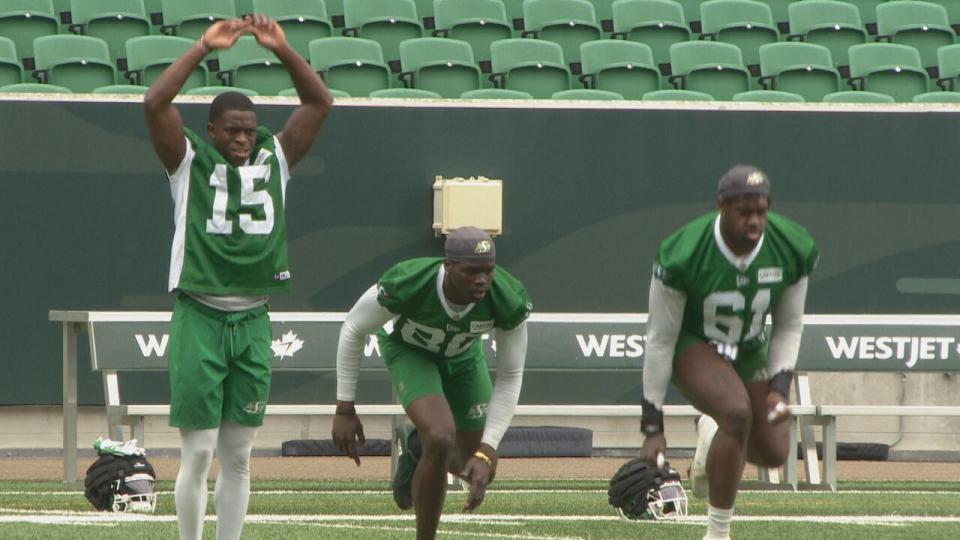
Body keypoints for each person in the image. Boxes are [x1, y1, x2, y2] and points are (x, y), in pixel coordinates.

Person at [143, 15, 332, 540]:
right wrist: (202, 47)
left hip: (253, 317)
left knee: (240, 453)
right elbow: (155, 104)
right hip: (200, 314)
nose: (244, 139)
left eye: (250, 129)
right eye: (233, 130)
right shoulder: (188, 160)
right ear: (211, 131)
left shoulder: (277, 155)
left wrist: (284, 50)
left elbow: (319, 104)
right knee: (199, 450)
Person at [639, 165, 818, 540]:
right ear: (721, 206)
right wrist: (652, 423)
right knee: (737, 413)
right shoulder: (684, 252)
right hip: (695, 342)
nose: (754, 221)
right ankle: (718, 534)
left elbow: (788, 324)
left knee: (773, 452)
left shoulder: (791, 246)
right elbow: (659, 338)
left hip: (750, 344)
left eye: (761, 211)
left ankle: (710, 434)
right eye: (745, 212)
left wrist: (779, 386)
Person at [332, 226, 532, 540]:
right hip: (410, 351)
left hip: (464, 356)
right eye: (471, 271)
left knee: (480, 469)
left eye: (488, 271)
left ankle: (415, 448)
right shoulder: (408, 282)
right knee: (439, 436)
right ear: (448, 266)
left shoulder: (506, 296)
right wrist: (345, 407)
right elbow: (354, 326)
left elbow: (510, 376)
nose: (481, 280)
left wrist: (487, 450)